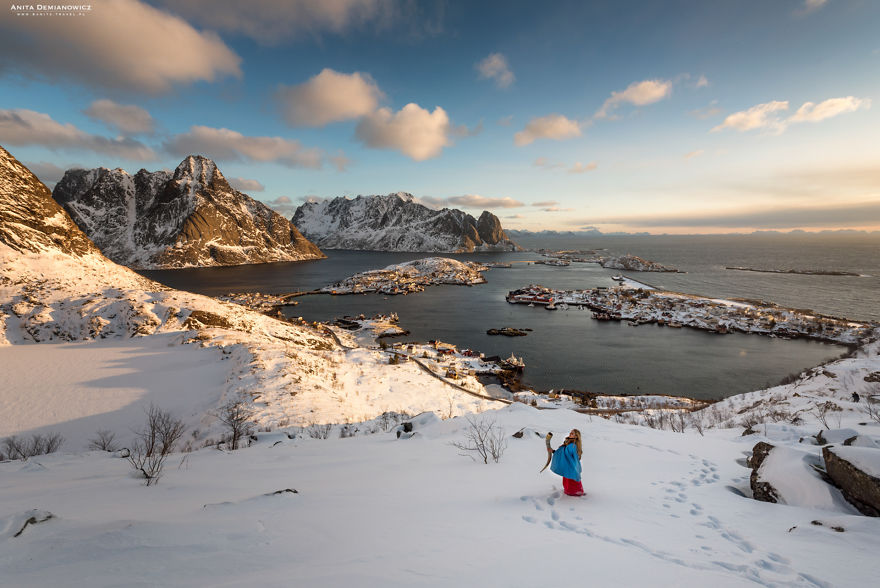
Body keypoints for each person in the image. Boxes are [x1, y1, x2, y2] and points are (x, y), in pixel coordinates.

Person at [550, 428, 584, 496]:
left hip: (571, 467)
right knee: (567, 480)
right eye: (570, 433)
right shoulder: (568, 443)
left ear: (576, 436)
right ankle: (571, 491)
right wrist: (554, 451)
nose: (570, 434)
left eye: (572, 433)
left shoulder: (573, 446)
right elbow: (563, 452)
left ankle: (575, 492)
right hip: (567, 467)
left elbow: (571, 456)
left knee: (571, 480)